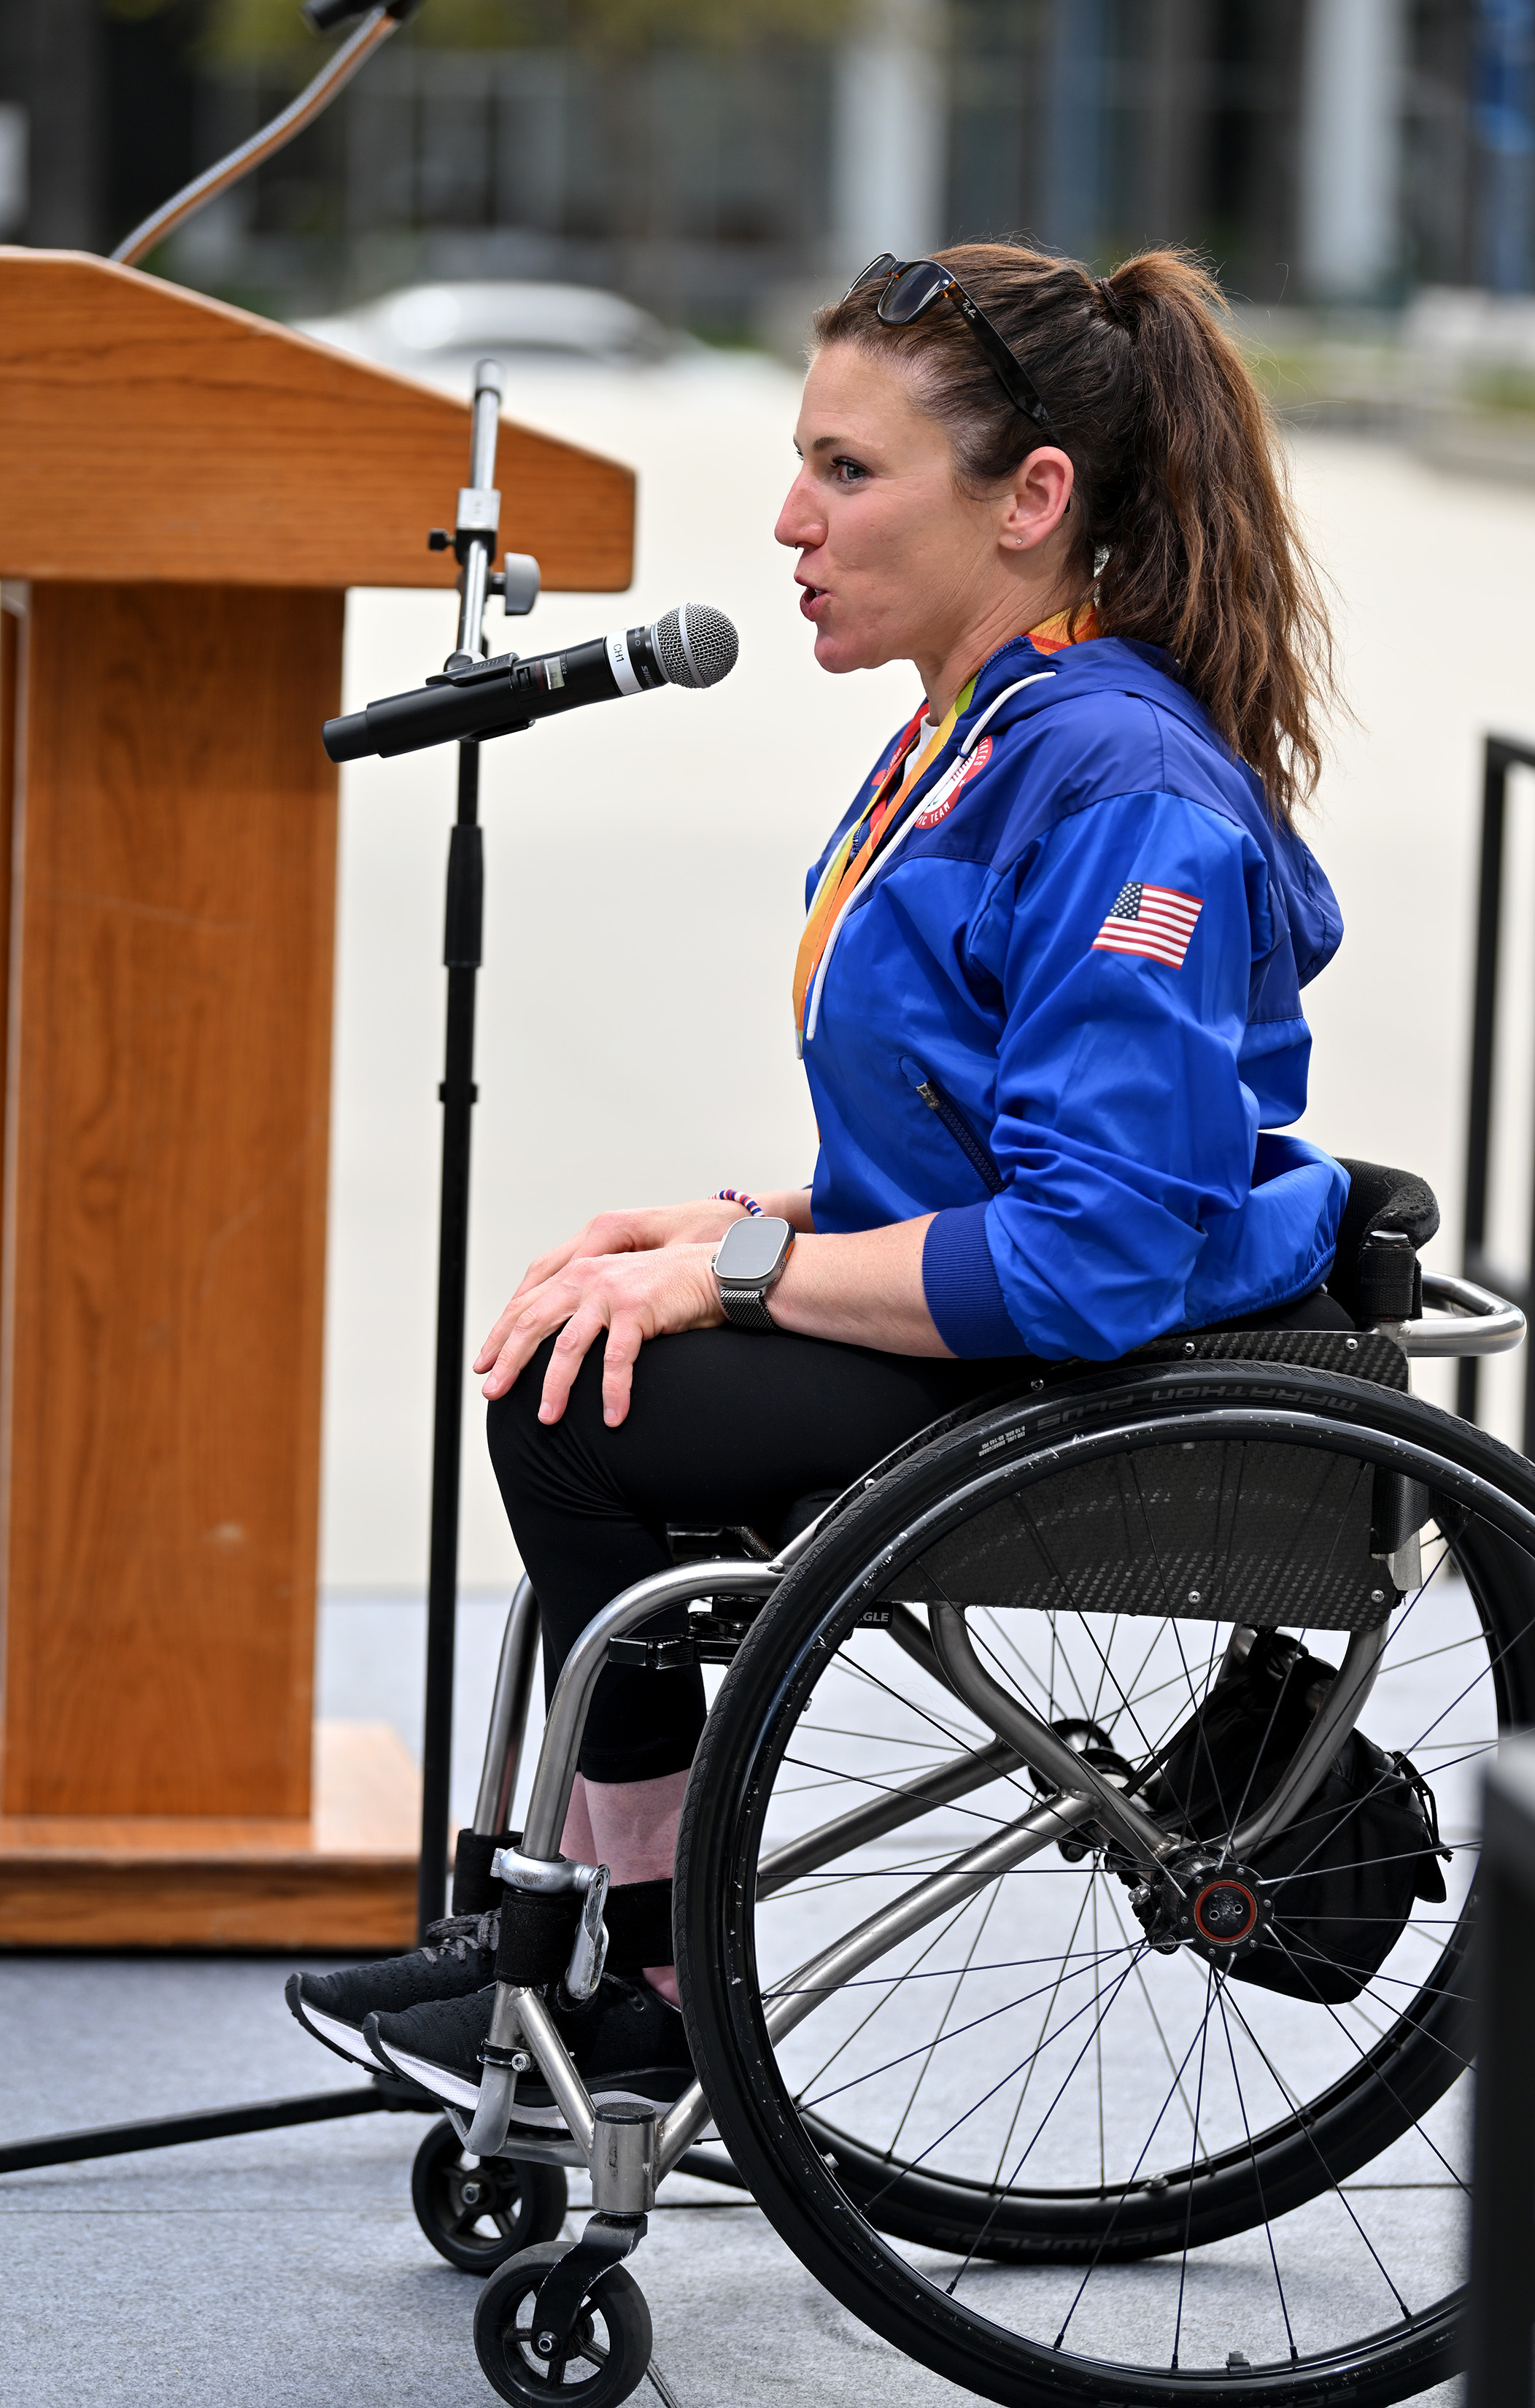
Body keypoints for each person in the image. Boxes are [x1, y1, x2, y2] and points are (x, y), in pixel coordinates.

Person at [287, 241, 1346, 2116]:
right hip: (1010, 1320)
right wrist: (734, 1225)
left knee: (578, 1406)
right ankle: (591, 1943)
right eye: (803, 462)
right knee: (579, 1335)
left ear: (1028, 500)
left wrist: (739, 1277)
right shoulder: (977, 729)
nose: (789, 519)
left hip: (1089, 1366)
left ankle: (648, 1974)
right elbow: (972, 1136)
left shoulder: (1118, 788)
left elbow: (1091, 1249)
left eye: (846, 471)